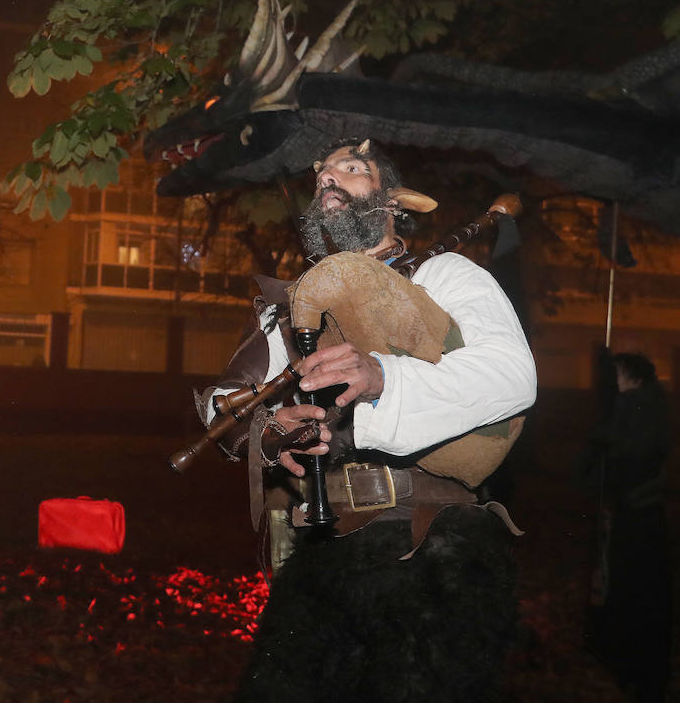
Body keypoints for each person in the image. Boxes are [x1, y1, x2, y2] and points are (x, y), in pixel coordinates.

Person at [199, 138, 536, 703]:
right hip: (324, 548)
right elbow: (225, 406)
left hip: (433, 547)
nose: (329, 180)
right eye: (322, 174)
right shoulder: (291, 307)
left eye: (351, 170)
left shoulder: (446, 275)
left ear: (395, 202)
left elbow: (512, 375)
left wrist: (385, 376)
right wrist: (270, 430)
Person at [579, 349, 672, 702]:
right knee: (626, 583)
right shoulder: (638, 407)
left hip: (637, 515)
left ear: (633, 377)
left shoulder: (639, 408)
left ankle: (634, 660)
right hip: (631, 512)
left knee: (635, 586)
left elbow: (627, 450)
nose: (614, 381)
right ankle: (627, 654)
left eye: (617, 373)